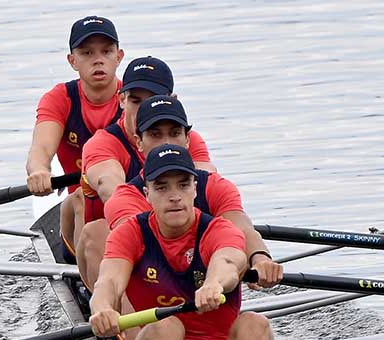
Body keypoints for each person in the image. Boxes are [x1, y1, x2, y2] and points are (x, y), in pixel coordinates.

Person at [89, 144, 275, 340]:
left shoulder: (219, 230)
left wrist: (215, 284)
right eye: (161, 187)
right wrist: (102, 310)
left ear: (194, 190)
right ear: (146, 194)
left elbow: (229, 261)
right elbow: (107, 282)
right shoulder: (130, 233)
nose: (174, 195)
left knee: (256, 324)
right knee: (166, 327)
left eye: (182, 185)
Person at [104, 95, 284, 289]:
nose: (167, 143)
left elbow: (241, 228)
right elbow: (133, 247)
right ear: (139, 141)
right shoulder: (125, 197)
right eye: (156, 135)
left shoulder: (215, 186)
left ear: (187, 139)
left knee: (256, 321)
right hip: (154, 287)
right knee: (96, 233)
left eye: (174, 133)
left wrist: (258, 258)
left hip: (211, 281)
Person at [76, 56, 215, 287]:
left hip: (178, 242)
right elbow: (111, 189)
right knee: (94, 230)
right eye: (136, 101)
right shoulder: (102, 144)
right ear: (122, 100)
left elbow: (209, 183)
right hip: (120, 245)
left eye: (154, 100)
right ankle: (111, 310)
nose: (145, 110)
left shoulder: (190, 141)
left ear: (171, 101)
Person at [25, 15, 124, 262]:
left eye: (106, 51)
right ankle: (89, 280)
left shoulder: (133, 101)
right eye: (87, 53)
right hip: (82, 210)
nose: (98, 59)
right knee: (81, 196)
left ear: (119, 56)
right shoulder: (60, 99)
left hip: (126, 206)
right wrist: (39, 171)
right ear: (72, 61)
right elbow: (41, 148)